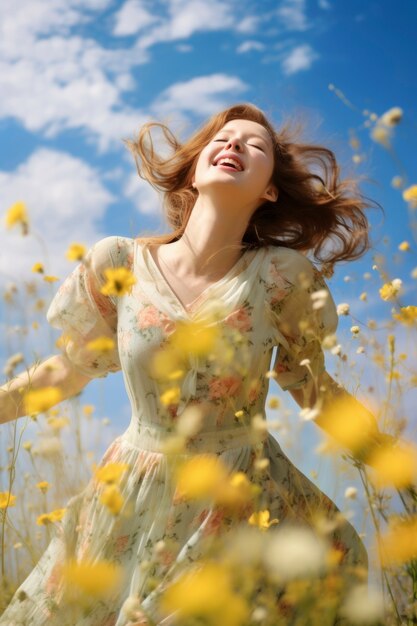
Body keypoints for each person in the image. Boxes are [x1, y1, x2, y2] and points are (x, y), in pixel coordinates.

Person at [0, 103, 385, 625]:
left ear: (269, 189)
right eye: (223, 138)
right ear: (194, 168)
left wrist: (395, 468)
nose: (233, 146)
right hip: (130, 494)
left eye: (255, 145)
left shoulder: (281, 277)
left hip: (238, 495)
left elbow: (311, 388)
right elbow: (65, 372)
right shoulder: (118, 264)